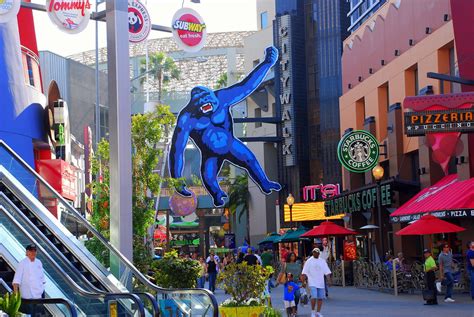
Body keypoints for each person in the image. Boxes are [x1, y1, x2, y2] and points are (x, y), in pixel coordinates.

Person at [13, 244, 46, 316]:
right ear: (27, 252)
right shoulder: (22, 263)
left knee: (38, 315)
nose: (33, 252)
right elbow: (16, 281)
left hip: (39, 296)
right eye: (31, 251)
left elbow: (42, 279)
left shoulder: (39, 262)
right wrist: (15, 297)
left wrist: (43, 291)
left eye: (35, 250)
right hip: (27, 297)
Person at [301, 248, 332, 317]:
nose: (316, 254)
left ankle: (318, 312)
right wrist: (303, 282)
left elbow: (327, 272)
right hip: (312, 282)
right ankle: (312, 311)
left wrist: (329, 280)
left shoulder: (322, 261)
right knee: (314, 296)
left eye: (317, 253)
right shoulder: (309, 261)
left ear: (319, 254)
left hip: (320, 283)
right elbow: (304, 272)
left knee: (320, 298)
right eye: (315, 252)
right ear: (313, 253)